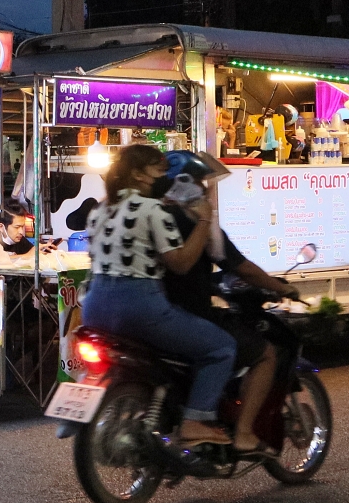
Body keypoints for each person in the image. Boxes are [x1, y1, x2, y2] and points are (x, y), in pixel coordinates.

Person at [79, 145, 238, 448]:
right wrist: (204, 220)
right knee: (221, 348)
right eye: (158, 169)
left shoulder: (99, 210)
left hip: (95, 304)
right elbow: (181, 263)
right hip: (138, 306)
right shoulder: (153, 210)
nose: (164, 176)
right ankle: (195, 420)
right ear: (138, 174)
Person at [157, 151, 298, 456]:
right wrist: (281, 287)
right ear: (182, 183)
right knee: (264, 354)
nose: (206, 189)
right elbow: (240, 267)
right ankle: (244, 434)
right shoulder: (198, 222)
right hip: (188, 316)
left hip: (153, 313)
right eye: (200, 182)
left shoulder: (154, 215)